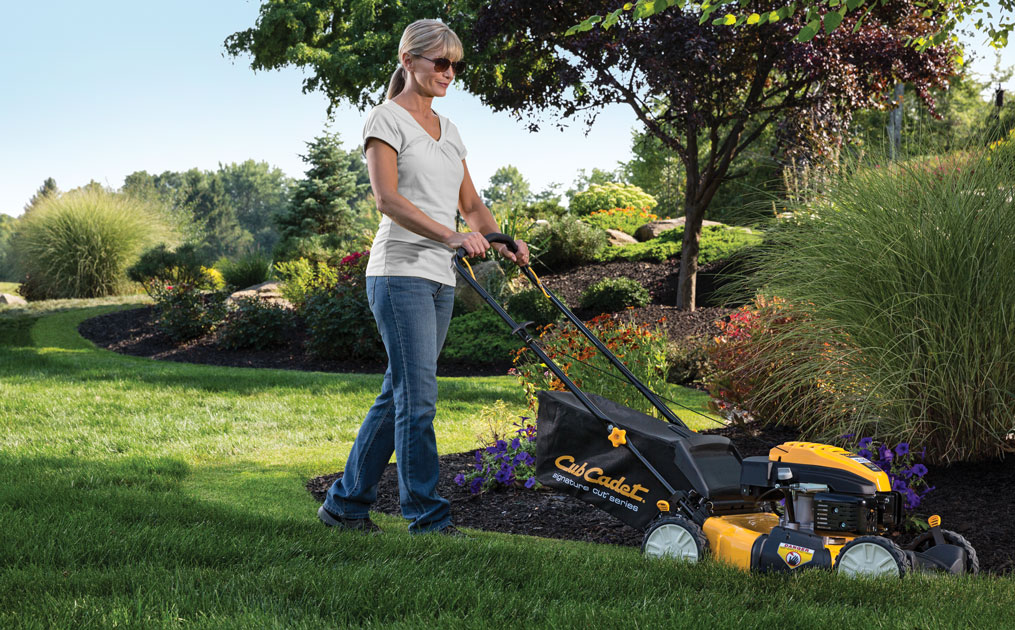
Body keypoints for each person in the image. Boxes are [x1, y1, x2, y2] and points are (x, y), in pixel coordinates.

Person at [318, 19, 529, 535]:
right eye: (440, 62)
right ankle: (428, 518)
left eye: (455, 64)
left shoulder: (449, 129)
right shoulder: (384, 119)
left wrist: (500, 241)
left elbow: (472, 203)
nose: (449, 72)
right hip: (399, 272)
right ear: (409, 61)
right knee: (419, 400)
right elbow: (387, 199)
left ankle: (345, 505)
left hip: (438, 278)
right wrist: (451, 236)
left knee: (400, 394)